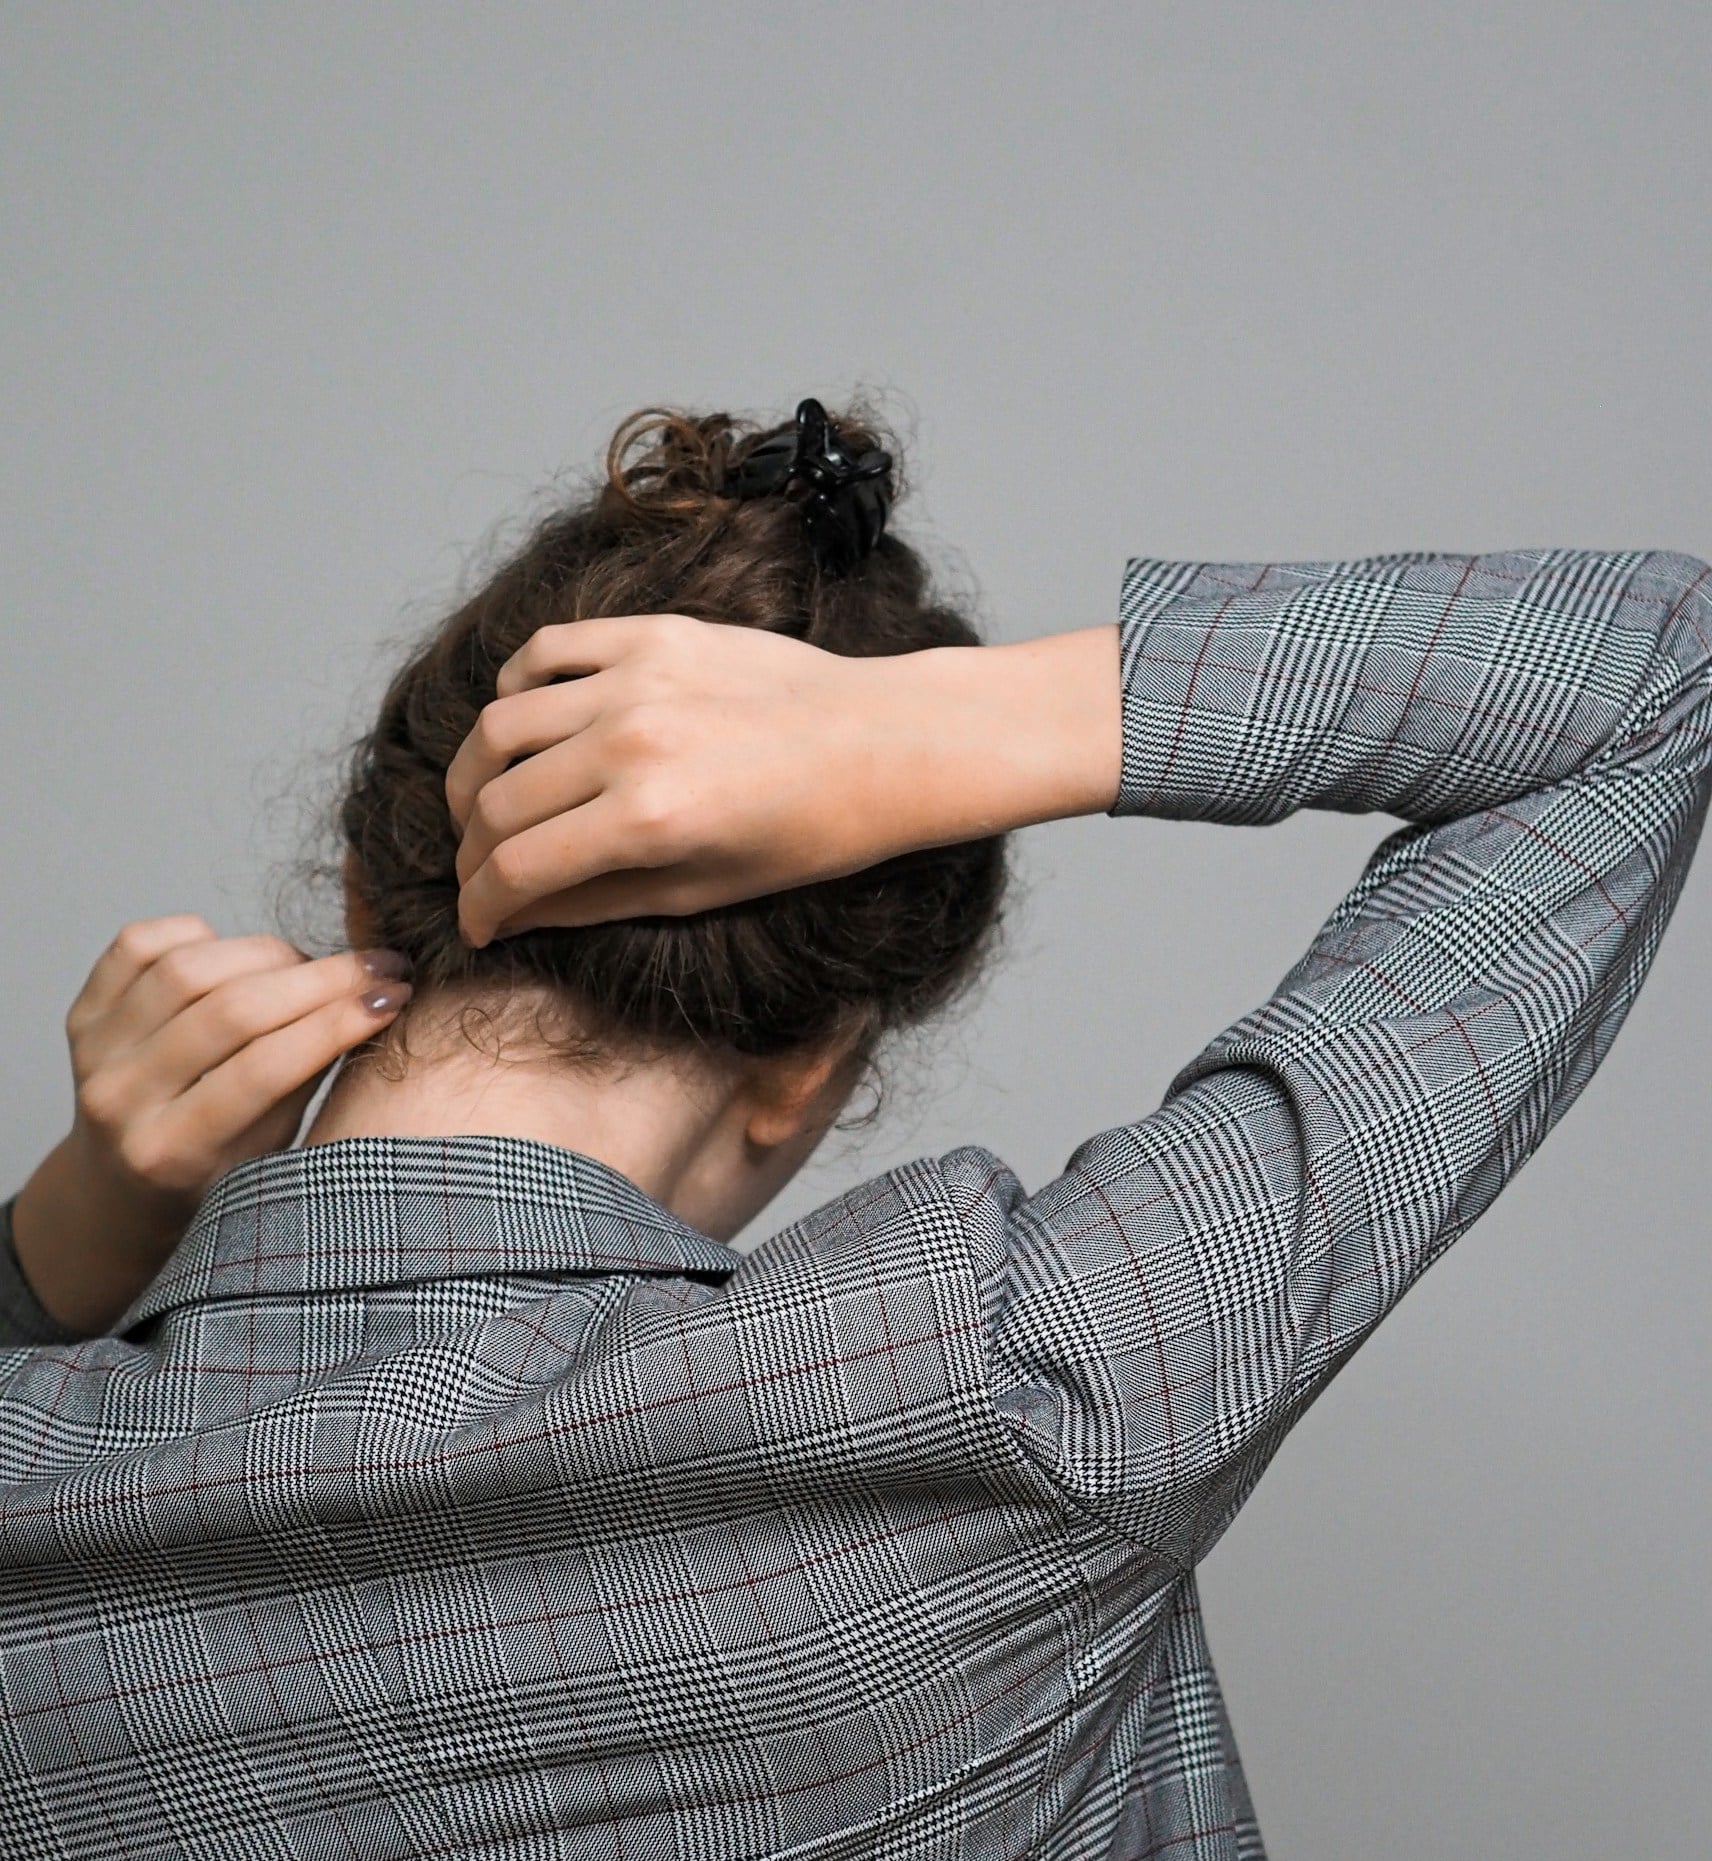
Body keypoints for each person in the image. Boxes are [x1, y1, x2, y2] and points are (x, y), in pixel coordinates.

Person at [2, 399, 1707, 1861]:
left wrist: (56, 1252)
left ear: (369, 892)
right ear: (814, 1055)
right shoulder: (1006, 1385)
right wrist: (937, 731)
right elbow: (1646, 673)